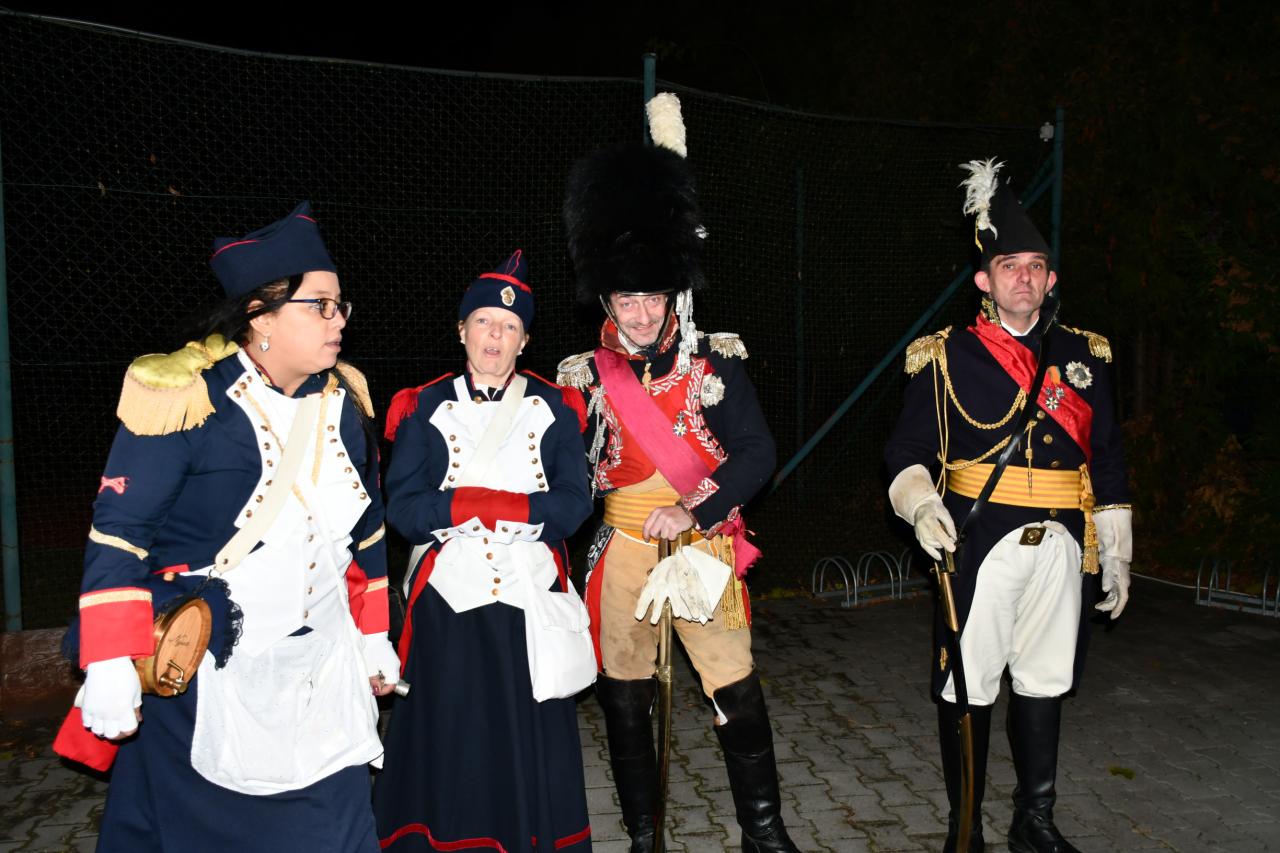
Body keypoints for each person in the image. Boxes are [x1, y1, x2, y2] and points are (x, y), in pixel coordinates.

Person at [52, 201, 399, 852]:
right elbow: (121, 530)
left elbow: (366, 531)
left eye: (341, 305)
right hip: (211, 674)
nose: (339, 320)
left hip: (323, 673)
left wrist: (374, 634)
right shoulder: (187, 396)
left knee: (343, 830)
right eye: (320, 306)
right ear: (260, 315)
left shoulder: (345, 401)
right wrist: (109, 657)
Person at [557, 94, 798, 853]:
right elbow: (565, 475)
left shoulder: (715, 363)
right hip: (621, 554)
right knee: (625, 698)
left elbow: (758, 453)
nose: (638, 313)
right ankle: (643, 835)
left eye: (651, 296)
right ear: (607, 297)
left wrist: (695, 510)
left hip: (700, 545)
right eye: (626, 297)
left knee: (735, 686)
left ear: (673, 296)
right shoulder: (582, 378)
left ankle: (764, 832)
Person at [884, 159, 1133, 853]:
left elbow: (1108, 456)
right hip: (979, 536)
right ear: (984, 282)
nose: (1024, 278)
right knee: (967, 684)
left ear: (1051, 280)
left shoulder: (1084, 354)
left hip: (1064, 539)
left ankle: (1034, 820)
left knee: (1045, 679)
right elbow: (906, 450)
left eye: (1036, 267)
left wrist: (1117, 549)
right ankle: (965, 830)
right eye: (1009, 266)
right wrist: (920, 505)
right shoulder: (945, 356)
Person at [372, 250, 594, 852]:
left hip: (527, 598)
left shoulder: (556, 406)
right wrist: (475, 505)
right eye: (484, 322)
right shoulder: (422, 404)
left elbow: (575, 503)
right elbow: (403, 507)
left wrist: (499, 512)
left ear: (524, 341)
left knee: (525, 737)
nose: (495, 336)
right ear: (462, 329)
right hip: (450, 600)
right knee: (453, 737)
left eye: (509, 326)